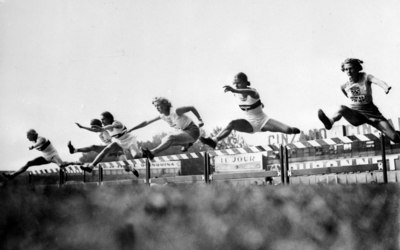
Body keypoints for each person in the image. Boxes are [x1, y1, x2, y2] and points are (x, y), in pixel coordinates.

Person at [200, 72, 300, 149]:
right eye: (234, 83)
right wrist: (259, 104)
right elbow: (249, 103)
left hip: (263, 121)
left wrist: (234, 90)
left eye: (238, 83)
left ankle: (291, 129)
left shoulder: (253, 91)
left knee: (288, 130)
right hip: (249, 123)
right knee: (232, 123)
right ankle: (214, 141)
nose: (236, 85)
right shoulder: (236, 94)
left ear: (245, 82)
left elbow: (250, 93)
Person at [318, 58, 400, 143]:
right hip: (357, 114)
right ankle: (330, 122)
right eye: (346, 69)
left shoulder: (366, 77)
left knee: (395, 138)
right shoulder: (344, 86)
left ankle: (397, 134)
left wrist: (385, 87)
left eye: (351, 68)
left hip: (372, 113)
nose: (348, 71)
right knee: (341, 108)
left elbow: (377, 81)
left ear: (357, 68)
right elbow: (349, 97)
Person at [127, 97, 204, 160]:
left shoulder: (176, 111)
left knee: (170, 137)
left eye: (158, 105)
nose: (157, 108)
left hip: (192, 131)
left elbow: (191, 108)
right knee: (164, 141)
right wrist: (132, 128)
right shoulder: (162, 116)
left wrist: (200, 120)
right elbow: (146, 122)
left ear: (165, 104)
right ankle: (187, 144)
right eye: (155, 106)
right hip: (183, 131)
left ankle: (152, 153)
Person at [79, 112, 141, 176]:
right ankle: (90, 167)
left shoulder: (116, 123)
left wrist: (103, 128)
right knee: (106, 149)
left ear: (109, 119)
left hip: (129, 140)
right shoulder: (105, 127)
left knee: (136, 156)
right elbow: (95, 130)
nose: (101, 122)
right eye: (101, 120)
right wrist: (83, 127)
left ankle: (147, 153)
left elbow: (112, 126)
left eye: (103, 119)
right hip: (119, 142)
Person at [2, 129, 77, 180]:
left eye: (28, 136)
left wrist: (33, 146)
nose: (27, 137)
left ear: (33, 135)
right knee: (29, 163)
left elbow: (40, 142)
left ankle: (72, 162)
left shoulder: (41, 138)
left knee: (61, 165)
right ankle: (12, 175)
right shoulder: (33, 141)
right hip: (45, 157)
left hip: (53, 155)